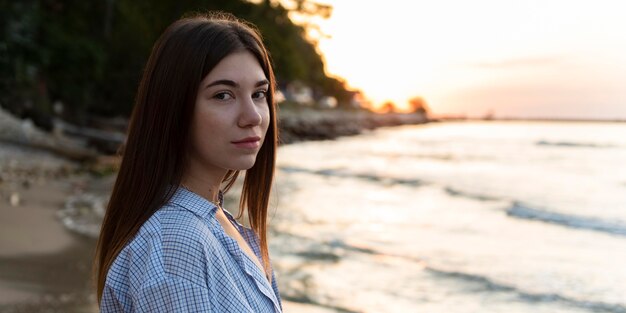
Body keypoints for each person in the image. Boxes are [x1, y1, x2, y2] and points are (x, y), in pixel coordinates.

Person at [94, 12, 282, 312]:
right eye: (223, 95)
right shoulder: (176, 242)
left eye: (259, 94)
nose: (254, 116)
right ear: (174, 107)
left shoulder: (218, 224)